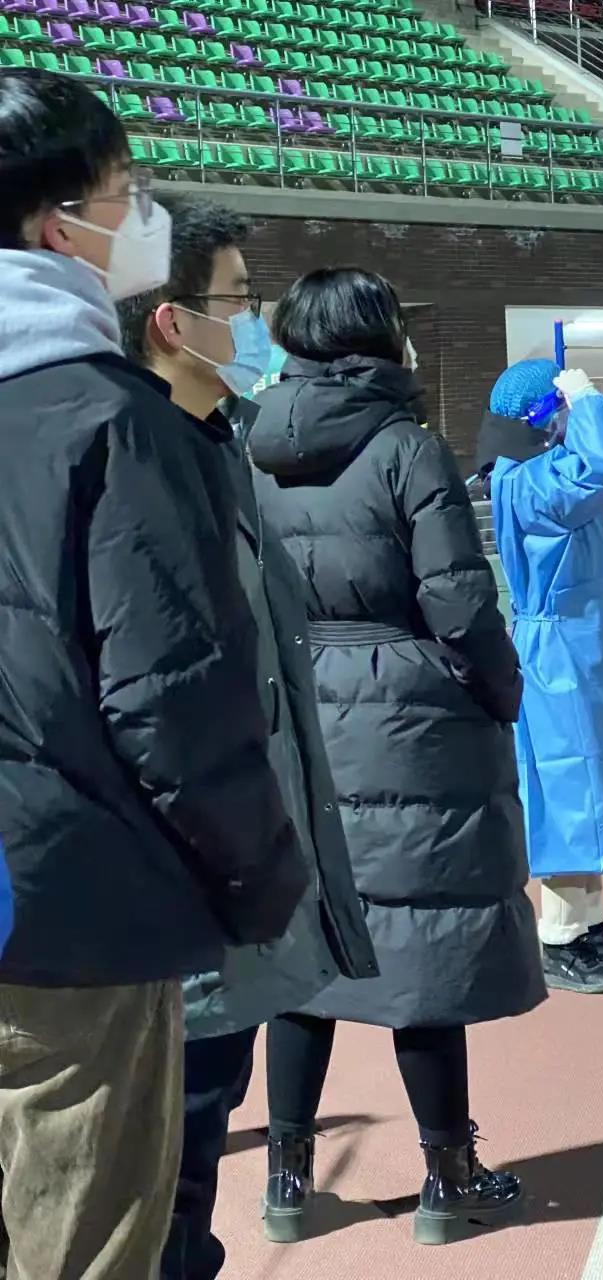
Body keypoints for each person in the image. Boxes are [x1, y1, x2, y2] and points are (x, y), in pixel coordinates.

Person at [0, 72, 308, 1278]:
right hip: (73, 909)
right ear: (54, 227)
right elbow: (172, 692)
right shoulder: (111, 421)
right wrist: (260, 875)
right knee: (86, 1236)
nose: (143, 219)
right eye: (124, 192)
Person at [248, 268, 546, 1246]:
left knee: (305, 957)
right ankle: (447, 1179)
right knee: (425, 956)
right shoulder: (406, 446)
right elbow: (458, 597)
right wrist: (499, 690)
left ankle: (287, 1182)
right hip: (407, 710)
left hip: (297, 709)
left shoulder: (250, 448)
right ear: (379, 337)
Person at [116, 196, 378, 1280]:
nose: (256, 322)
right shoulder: (133, 465)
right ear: (172, 321)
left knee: (194, 1163)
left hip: (235, 882)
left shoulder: (219, 445)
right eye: (238, 300)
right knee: (158, 1181)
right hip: (179, 903)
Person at [476, 359, 603, 996]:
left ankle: (588, 924)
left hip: (588, 645)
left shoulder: (546, 474)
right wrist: (589, 401)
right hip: (559, 655)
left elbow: (580, 546)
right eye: (562, 410)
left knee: (599, 791)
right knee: (571, 793)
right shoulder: (527, 479)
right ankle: (560, 936)